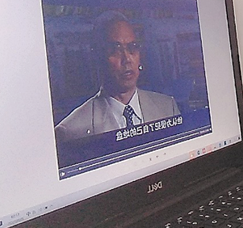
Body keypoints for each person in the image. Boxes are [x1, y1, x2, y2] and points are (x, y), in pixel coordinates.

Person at [55, 11, 180, 142]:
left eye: (132, 47)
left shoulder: (167, 108)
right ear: (98, 56)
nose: (127, 59)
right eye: (115, 50)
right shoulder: (71, 131)